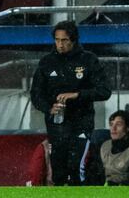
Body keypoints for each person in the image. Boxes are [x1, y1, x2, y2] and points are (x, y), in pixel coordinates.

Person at [30, 21, 111, 185]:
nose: (60, 44)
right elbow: (36, 94)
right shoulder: (47, 62)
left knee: (76, 168)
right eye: (57, 40)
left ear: (73, 40)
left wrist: (77, 95)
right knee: (58, 172)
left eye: (65, 40)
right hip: (56, 125)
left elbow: (104, 91)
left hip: (81, 123)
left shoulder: (88, 60)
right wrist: (49, 108)